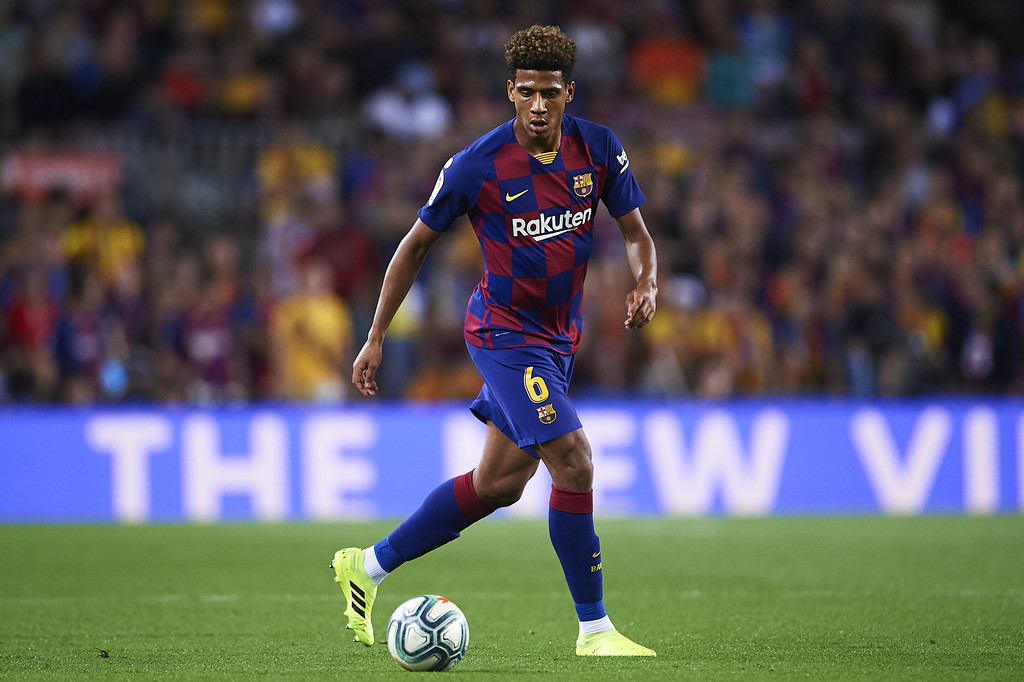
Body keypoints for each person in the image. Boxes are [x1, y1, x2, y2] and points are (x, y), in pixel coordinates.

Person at [334, 25, 658, 657]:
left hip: (559, 340)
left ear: (570, 92)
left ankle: (366, 566)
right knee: (575, 461)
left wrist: (646, 285)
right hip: (505, 334)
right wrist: (374, 337)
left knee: (499, 484)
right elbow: (414, 246)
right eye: (528, 92)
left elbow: (638, 233)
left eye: (552, 93)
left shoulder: (598, 149)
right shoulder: (475, 166)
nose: (539, 105)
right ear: (511, 91)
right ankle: (594, 631)